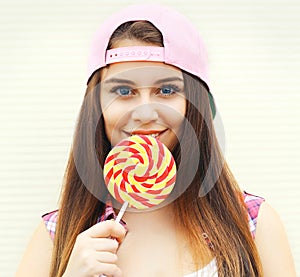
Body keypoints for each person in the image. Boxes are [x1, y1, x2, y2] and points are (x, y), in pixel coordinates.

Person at [16, 4, 296, 277]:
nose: (146, 113)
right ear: (96, 105)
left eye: (166, 89)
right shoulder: (56, 235)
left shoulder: (253, 224)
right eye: (124, 90)